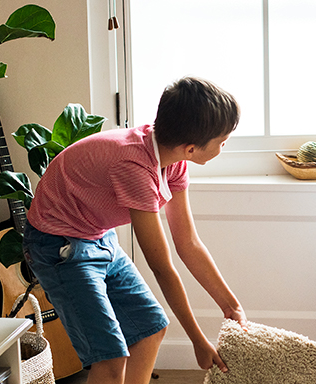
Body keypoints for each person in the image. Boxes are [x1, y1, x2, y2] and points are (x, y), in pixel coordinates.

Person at [22, 77, 247, 384]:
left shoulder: (173, 160)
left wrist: (231, 306)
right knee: (110, 356)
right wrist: (197, 339)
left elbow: (189, 243)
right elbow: (162, 267)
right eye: (223, 141)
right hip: (58, 245)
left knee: (150, 328)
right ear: (192, 148)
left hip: (97, 235)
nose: (224, 145)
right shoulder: (134, 167)